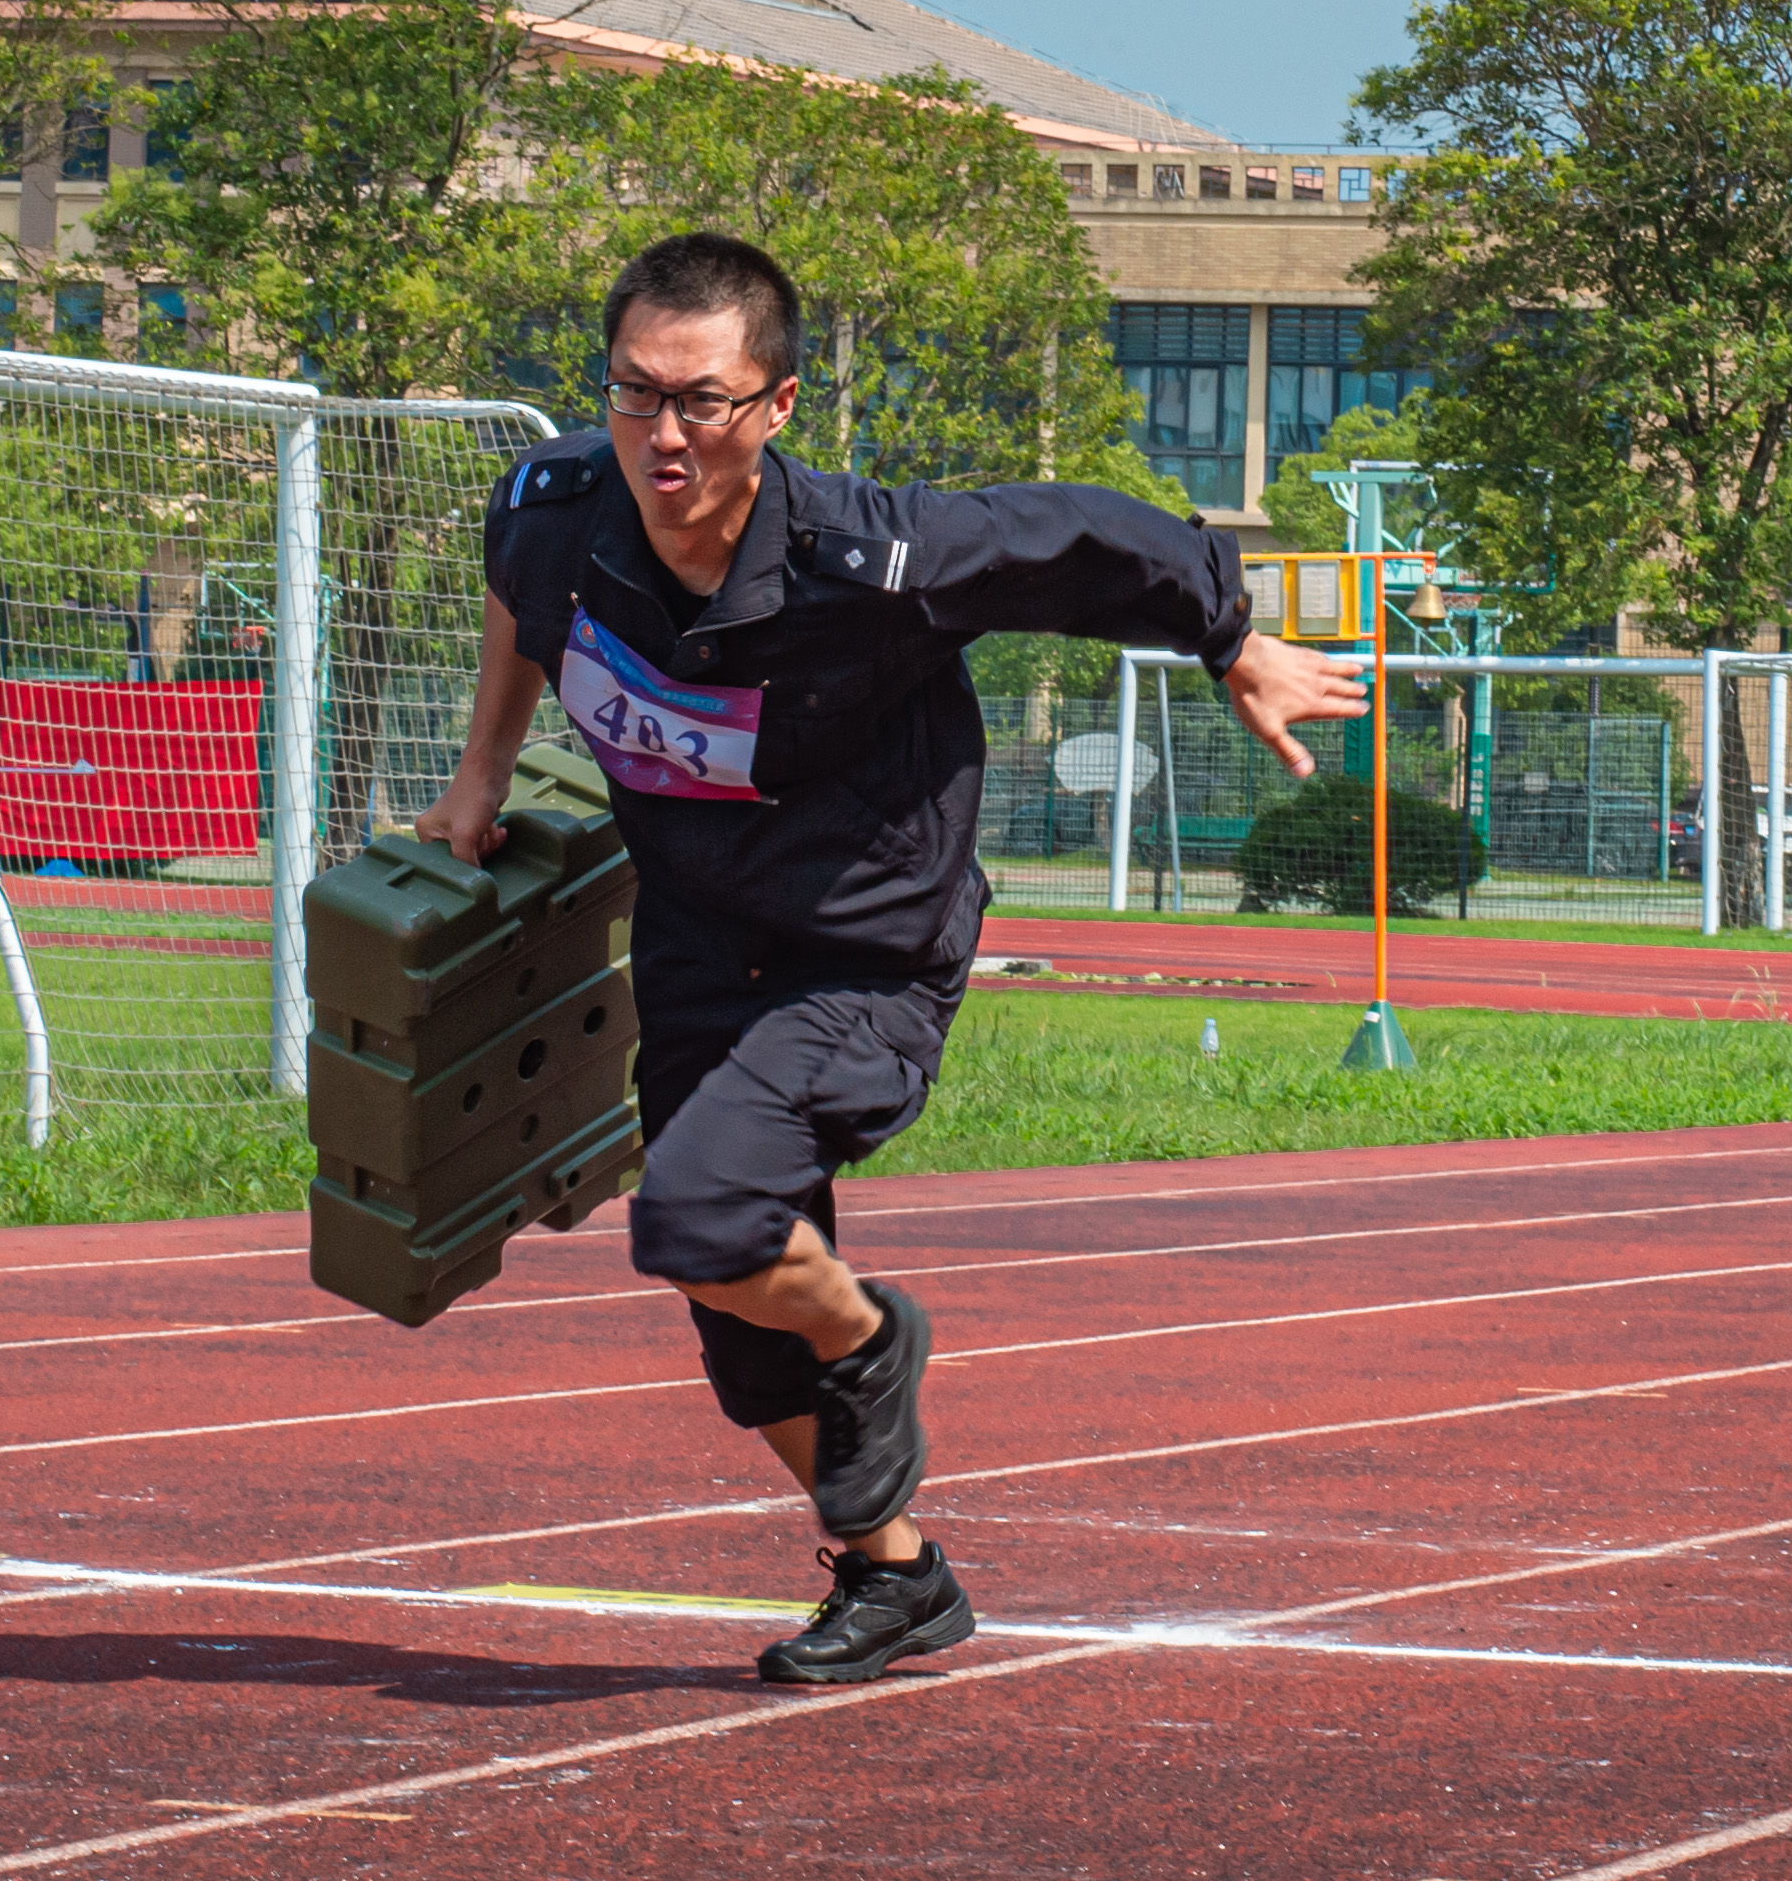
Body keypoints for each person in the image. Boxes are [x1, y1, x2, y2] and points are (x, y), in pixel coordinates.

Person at [417, 231, 1369, 1683]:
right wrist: (481, 773)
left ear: (778, 406)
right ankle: (896, 1576)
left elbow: (1083, 534)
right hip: (692, 936)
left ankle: (872, 1346)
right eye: (635, 394)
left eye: (706, 402)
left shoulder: (878, 559)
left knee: (697, 1219)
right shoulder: (555, 507)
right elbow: (523, 602)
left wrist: (1228, 635)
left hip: (860, 952)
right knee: (738, 1330)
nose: (665, 435)